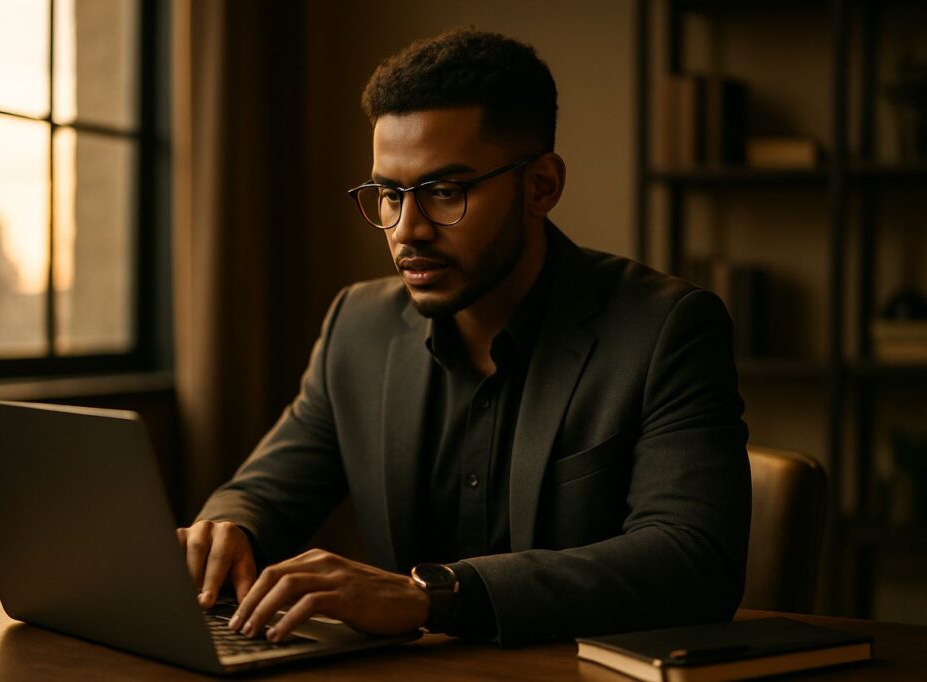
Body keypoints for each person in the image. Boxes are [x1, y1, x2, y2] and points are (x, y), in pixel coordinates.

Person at [177, 28, 751, 648]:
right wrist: (231, 525)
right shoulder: (358, 325)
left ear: (542, 187)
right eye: (389, 195)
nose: (407, 230)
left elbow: (693, 563)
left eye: (444, 192)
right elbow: (268, 488)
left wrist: (432, 597)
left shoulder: (666, 329)